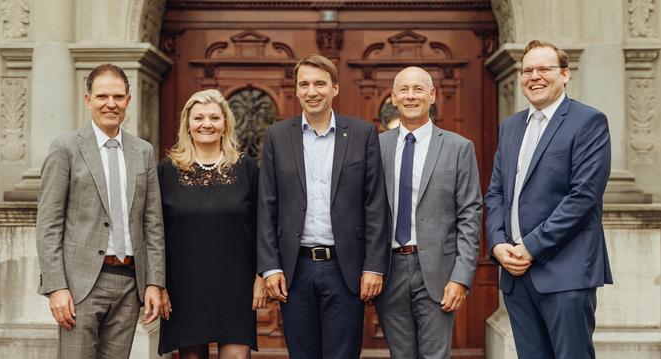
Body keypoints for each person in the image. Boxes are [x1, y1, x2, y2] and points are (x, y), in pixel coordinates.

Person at [485, 40, 612, 359]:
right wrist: (498, 244)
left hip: (565, 272)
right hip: (515, 275)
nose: (534, 76)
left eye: (544, 68)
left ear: (565, 74)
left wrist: (531, 246)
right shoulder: (511, 127)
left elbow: (583, 197)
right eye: (527, 70)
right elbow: (496, 192)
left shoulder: (588, 122)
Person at [257, 54, 390, 358]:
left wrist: (373, 266)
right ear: (296, 90)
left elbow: (375, 204)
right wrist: (270, 267)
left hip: (346, 270)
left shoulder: (362, 134)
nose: (311, 91)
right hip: (294, 269)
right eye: (304, 84)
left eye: (319, 83)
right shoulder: (277, 136)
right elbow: (267, 205)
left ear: (335, 88)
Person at [36, 63, 165, 358]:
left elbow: (152, 222)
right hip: (80, 286)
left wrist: (154, 282)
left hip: (130, 283)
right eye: (103, 96)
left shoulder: (142, 151)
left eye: (118, 97)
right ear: (88, 99)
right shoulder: (65, 148)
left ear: (128, 101)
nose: (111, 104)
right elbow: (48, 224)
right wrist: (56, 287)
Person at [374, 67, 482, 359]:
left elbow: (470, 215)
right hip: (389, 271)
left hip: (438, 272)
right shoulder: (375, 147)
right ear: (393, 97)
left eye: (418, 89)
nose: (411, 96)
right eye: (404, 90)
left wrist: (461, 277)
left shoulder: (459, 148)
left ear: (432, 95)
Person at [157, 89, 267, 359]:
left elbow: (263, 226)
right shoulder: (167, 170)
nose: (206, 124)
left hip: (237, 285)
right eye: (199, 118)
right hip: (184, 285)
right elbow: (154, 232)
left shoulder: (246, 168)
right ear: (187, 124)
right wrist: (157, 284)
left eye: (214, 117)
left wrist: (261, 275)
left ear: (225, 124)